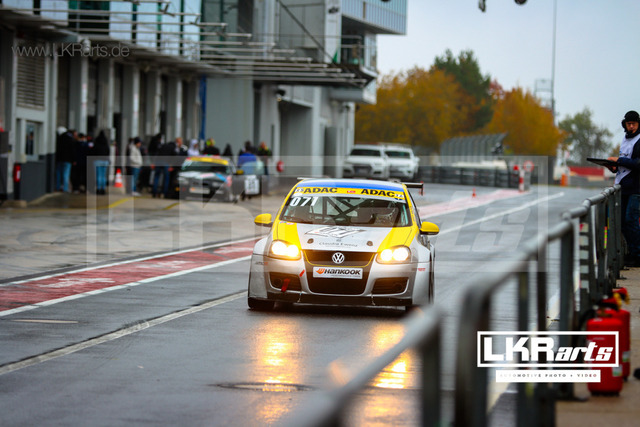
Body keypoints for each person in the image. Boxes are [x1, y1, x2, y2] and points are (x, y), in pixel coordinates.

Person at [608, 110, 640, 266]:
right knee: (620, 221)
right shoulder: (625, 139)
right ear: (625, 125)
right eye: (629, 124)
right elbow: (625, 164)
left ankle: (637, 255)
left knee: (630, 220)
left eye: (634, 124)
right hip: (622, 187)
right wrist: (613, 167)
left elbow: (637, 164)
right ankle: (632, 253)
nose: (631, 127)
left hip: (636, 188)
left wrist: (618, 160)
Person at [55, 127, 76, 192]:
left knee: (58, 173)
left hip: (59, 159)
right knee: (66, 174)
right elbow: (72, 150)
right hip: (68, 160)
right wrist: (73, 159)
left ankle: (58, 187)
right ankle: (65, 188)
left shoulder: (58, 139)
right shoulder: (70, 139)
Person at [92, 130, 110, 195]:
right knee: (103, 176)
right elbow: (108, 152)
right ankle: (103, 189)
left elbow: (94, 151)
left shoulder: (97, 142)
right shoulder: (106, 143)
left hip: (98, 160)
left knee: (99, 175)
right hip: (105, 161)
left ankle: (98, 188)